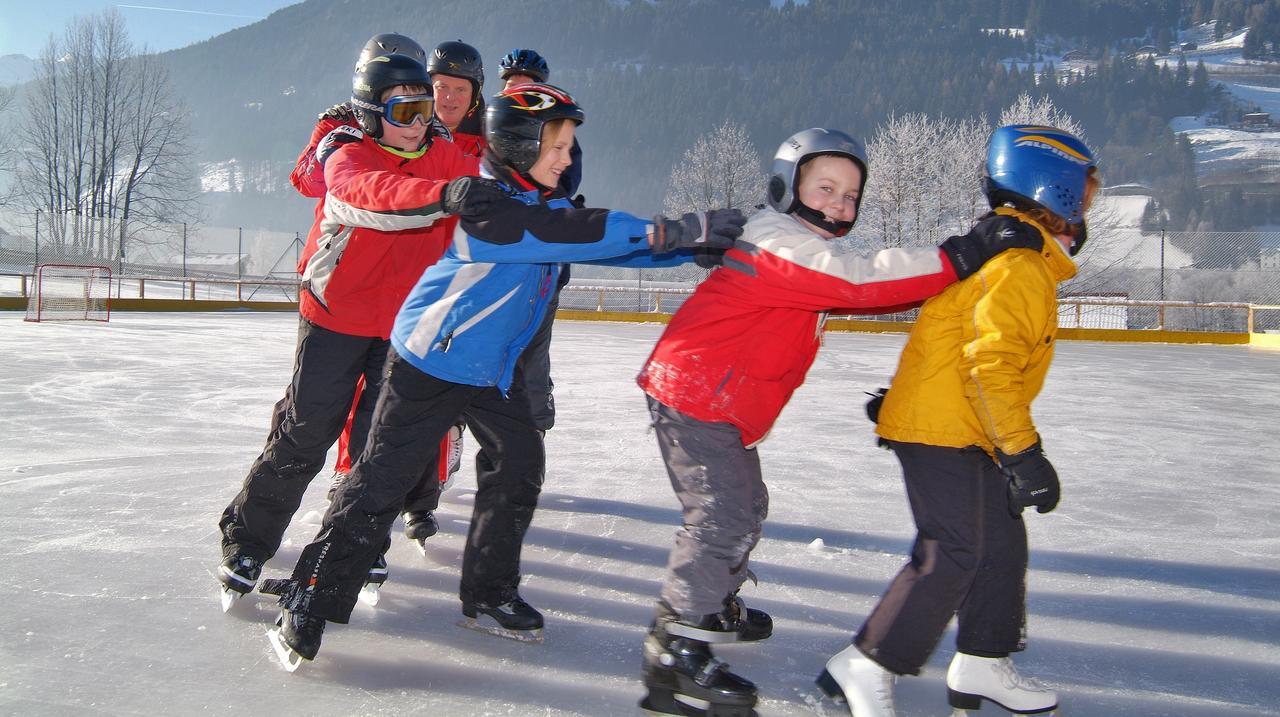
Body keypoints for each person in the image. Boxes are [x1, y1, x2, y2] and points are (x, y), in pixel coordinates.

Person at [261, 83, 746, 669]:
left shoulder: (542, 206)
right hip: (431, 361)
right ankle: (310, 596)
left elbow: (607, 244)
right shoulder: (495, 209)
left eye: (571, 146)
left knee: (519, 464)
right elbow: (584, 232)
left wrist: (691, 251)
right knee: (382, 479)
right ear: (518, 145)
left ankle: (489, 593)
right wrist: (674, 230)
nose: (568, 158)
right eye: (558, 146)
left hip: (492, 369)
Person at [633, 127, 1047, 716]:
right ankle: (675, 649)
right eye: (826, 186)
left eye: (851, 196)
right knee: (721, 515)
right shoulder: (780, 242)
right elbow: (861, 282)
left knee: (744, 505)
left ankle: (710, 600)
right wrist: (963, 252)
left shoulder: (799, 245)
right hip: (694, 392)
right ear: (786, 186)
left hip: (716, 399)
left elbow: (871, 287)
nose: (838, 203)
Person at [816, 125, 1098, 717]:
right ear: (1057, 191)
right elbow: (989, 366)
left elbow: (953, 337)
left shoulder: (1015, 257)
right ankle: (867, 664)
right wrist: (1023, 453)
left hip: (961, 423)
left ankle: (983, 662)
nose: (1090, 208)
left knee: (1000, 538)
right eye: (1087, 193)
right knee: (955, 549)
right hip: (945, 429)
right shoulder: (1020, 265)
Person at [215, 50, 475, 609]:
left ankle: (352, 544)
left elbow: (492, 197)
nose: (419, 123)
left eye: (425, 109)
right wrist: (441, 196)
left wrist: (536, 203)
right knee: (307, 432)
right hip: (337, 314)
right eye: (404, 111)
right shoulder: (347, 153)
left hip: (402, 326)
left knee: (374, 448)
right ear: (368, 112)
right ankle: (248, 539)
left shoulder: (447, 155)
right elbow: (370, 195)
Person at [287, 32, 463, 548]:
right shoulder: (341, 125)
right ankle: (346, 483)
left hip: (399, 295)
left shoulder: (429, 134)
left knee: (384, 411)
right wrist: (331, 139)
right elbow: (307, 181)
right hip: (338, 286)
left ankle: (374, 499)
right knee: (316, 409)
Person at [429, 39, 486, 158]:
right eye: (442, 87)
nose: (450, 97)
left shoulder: (489, 141)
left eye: (461, 90)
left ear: (474, 95)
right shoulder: (407, 129)